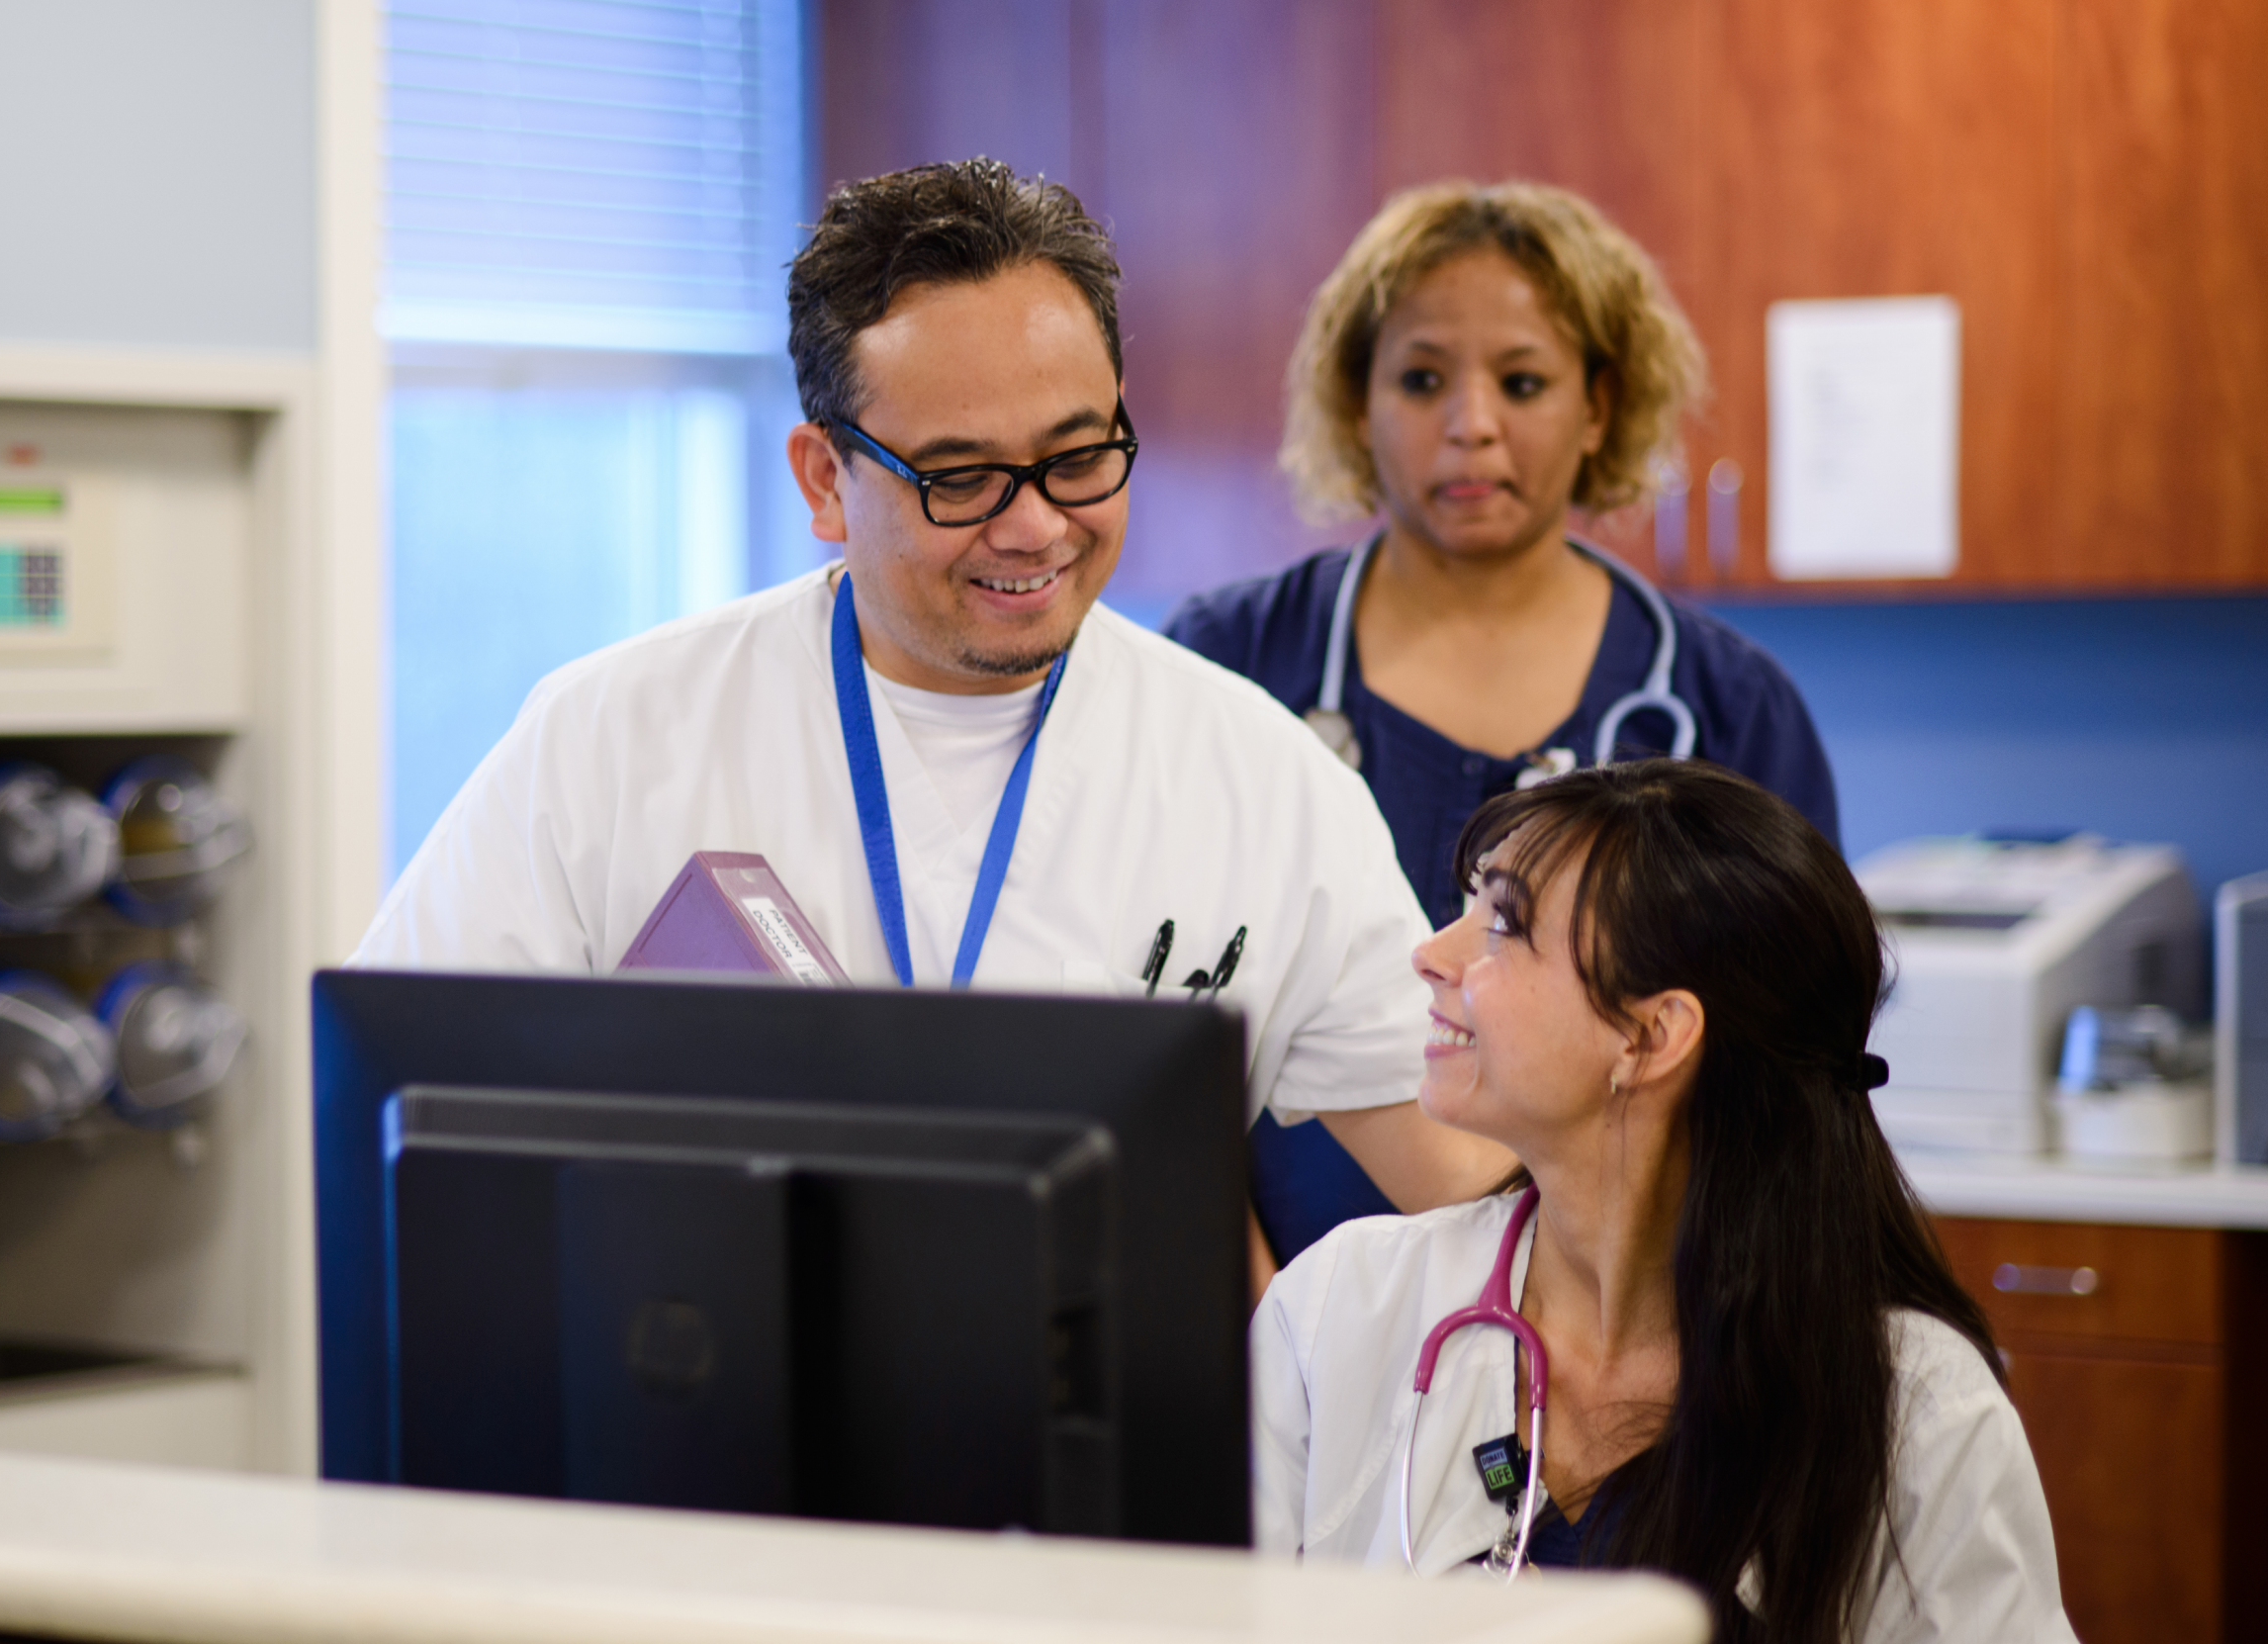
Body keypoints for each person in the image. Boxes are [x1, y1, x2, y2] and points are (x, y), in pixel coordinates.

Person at [353, 158, 1513, 1227]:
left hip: (1101, 1421)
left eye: (1076, 456)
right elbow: (392, 1108)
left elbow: (1465, 1194)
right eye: (959, 477)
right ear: (823, 478)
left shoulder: (1265, 782)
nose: (1035, 524)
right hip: (698, 1401)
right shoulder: (610, 741)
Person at [1165, 181, 1839, 1264]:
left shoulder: (1722, 711)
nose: (1470, 424)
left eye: (1522, 381)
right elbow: (1149, 1026)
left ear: (1599, 408)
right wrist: (1240, 1320)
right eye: (1421, 378)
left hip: (1629, 1328)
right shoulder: (1227, 669)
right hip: (1272, 1321)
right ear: (1357, 403)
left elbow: (1787, 1078)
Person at [1252, 762, 2072, 1644]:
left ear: (1650, 1036)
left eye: (1502, 927)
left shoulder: (1921, 1414)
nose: (1431, 955)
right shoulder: (1339, 1311)